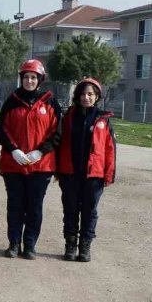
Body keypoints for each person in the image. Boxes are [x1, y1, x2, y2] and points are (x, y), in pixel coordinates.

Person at [0, 59, 62, 259]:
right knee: (15, 205)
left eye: (33, 77)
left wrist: (40, 151)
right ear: (22, 79)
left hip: (41, 166)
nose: (30, 81)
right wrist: (13, 150)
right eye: (26, 77)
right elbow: (2, 130)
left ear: (40, 79)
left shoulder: (50, 102)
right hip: (13, 165)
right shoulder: (12, 100)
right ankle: (14, 244)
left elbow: (57, 132)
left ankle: (30, 244)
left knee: (34, 207)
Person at [56, 77, 116, 262]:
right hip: (70, 173)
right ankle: (70, 245)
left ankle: (85, 246)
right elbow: (59, 143)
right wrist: (58, 170)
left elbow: (110, 148)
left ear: (97, 96)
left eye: (90, 94)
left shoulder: (103, 119)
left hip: (94, 175)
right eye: (82, 94)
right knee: (71, 209)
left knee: (90, 211)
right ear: (77, 96)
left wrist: (109, 174)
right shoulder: (68, 117)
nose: (86, 97)